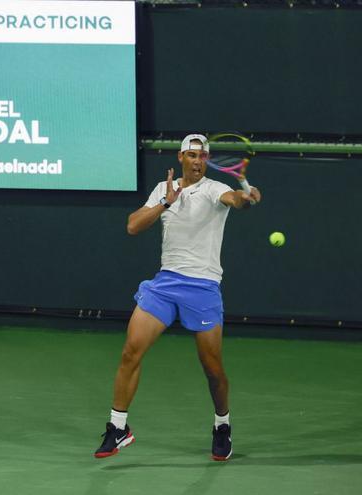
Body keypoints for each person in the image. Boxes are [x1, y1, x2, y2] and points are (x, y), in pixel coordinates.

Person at [94, 134, 262, 462]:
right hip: (165, 284)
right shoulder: (163, 188)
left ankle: (222, 424)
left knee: (212, 370)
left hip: (202, 288)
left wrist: (247, 197)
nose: (198, 161)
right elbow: (132, 226)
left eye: (203, 156)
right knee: (131, 351)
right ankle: (118, 427)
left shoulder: (214, 189)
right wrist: (166, 202)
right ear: (181, 157)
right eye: (192, 155)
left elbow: (235, 201)